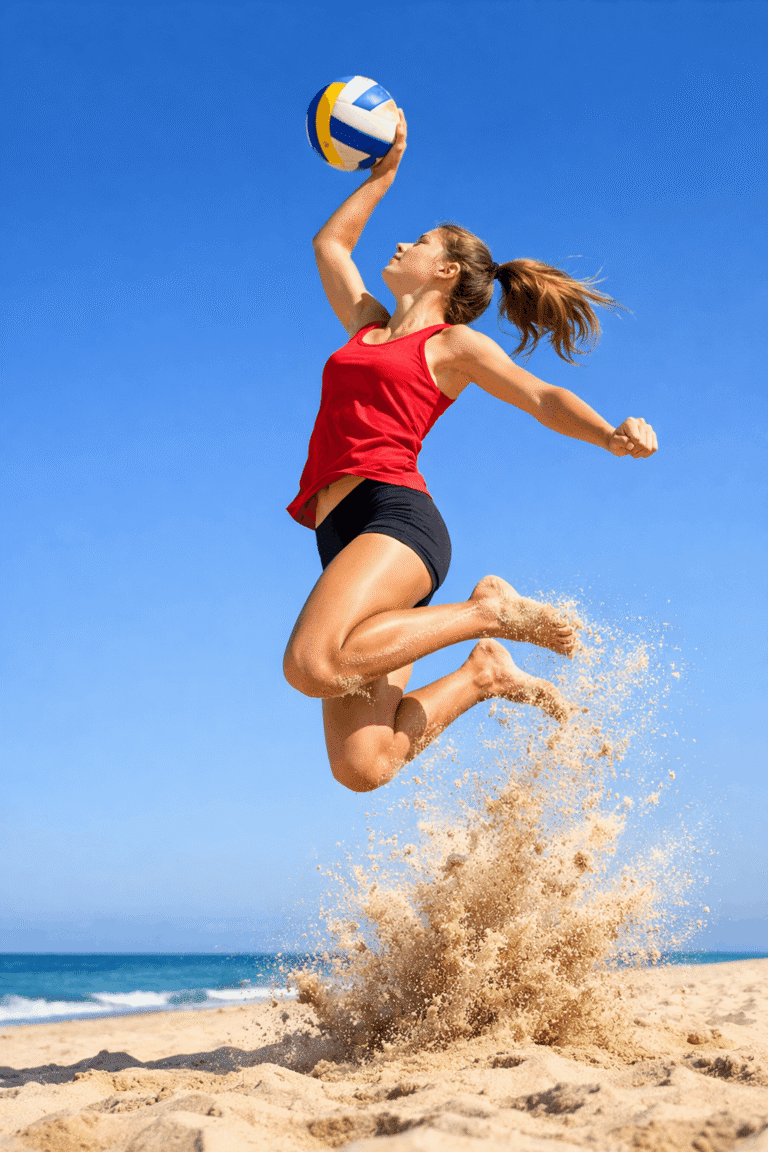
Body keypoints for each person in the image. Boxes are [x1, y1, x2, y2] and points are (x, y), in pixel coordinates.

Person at [283, 112, 657, 794]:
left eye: (420, 241)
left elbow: (540, 396)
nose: (402, 243)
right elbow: (330, 244)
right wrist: (383, 174)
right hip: (339, 537)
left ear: (446, 270)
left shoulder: (451, 345)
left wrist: (609, 434)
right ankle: (484, 673)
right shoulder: (367, 325)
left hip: (393, 518)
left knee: (312, 664)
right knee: (364, 766)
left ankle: (492, 612)